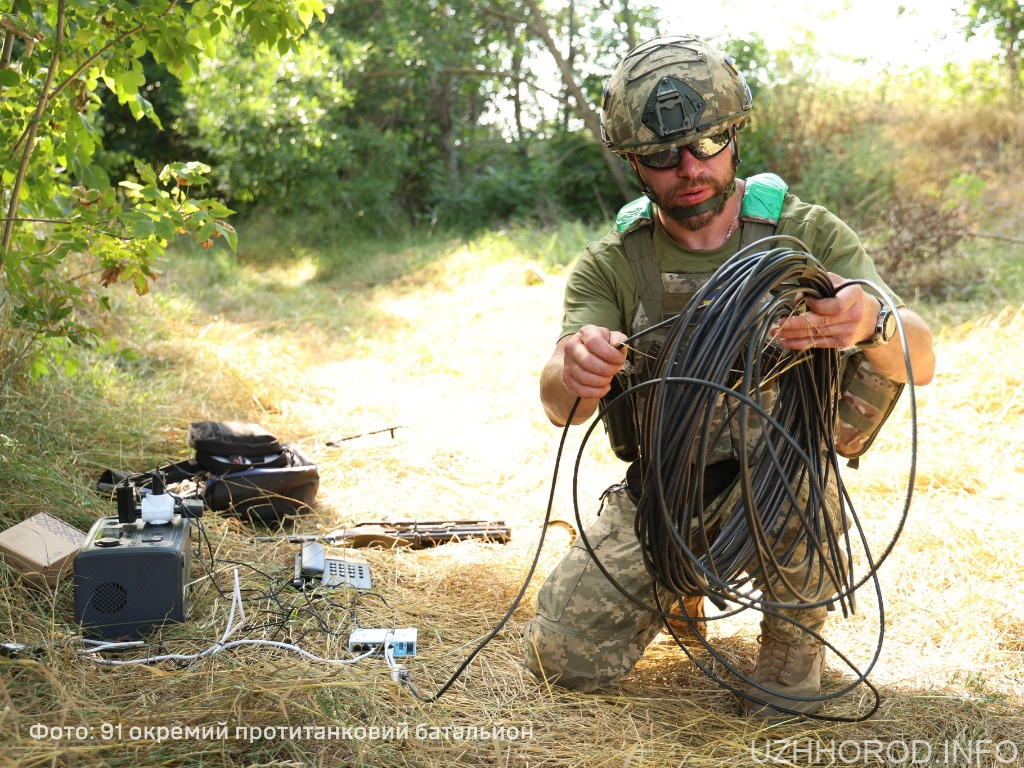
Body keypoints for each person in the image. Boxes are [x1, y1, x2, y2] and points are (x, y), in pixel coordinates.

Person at [523, 34, 936, 718]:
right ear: (632, 162)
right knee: (561, 661)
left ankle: (791, 645)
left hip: (786, 492)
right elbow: (560, 408)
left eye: (707, 143)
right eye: (661, 155)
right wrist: (575, 366)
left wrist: (869, 321)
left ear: (735, 137)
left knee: (784, 702)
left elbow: (920, 361)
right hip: (665, 493)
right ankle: (678, 580)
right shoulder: (613, 264)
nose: (689, 168)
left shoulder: (806, 234)